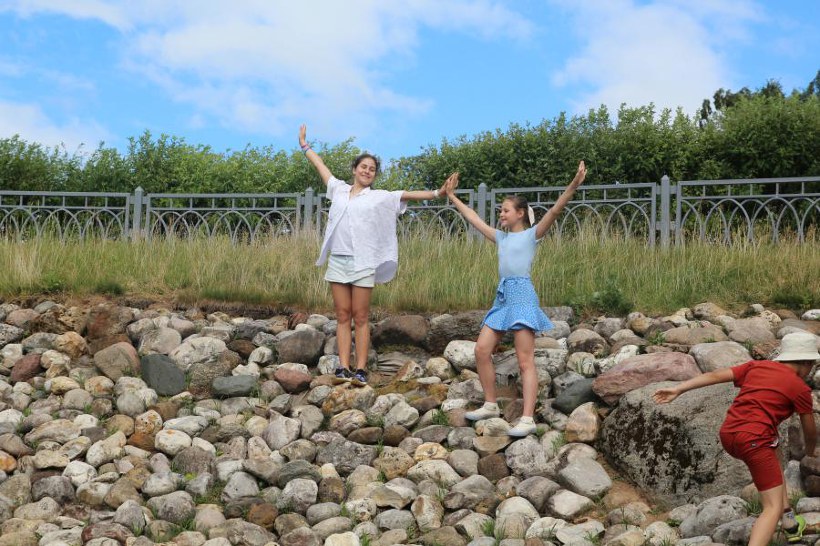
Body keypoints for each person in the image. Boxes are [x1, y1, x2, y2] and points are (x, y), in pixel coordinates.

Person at [443, 162, 587, 436]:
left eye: (505, 210)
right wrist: (452, 196)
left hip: (522, 296)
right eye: (500, 210)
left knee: (524, 361)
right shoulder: (500, 238)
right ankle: (490, 404)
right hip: (503, 297)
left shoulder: (532, 235)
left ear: (520, 213)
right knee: (481, 350)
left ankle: (527, 419)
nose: (501, 213)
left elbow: (555, 210)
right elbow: (473, 218)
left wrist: (573, 185)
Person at [299, 125, 447, 385]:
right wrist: (305, 146)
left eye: (372, 169)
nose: (367, 171)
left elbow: (407, 195)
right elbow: (320, 166)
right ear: (354, 169)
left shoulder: (378, 197)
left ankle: (360, 368)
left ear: (374, 175)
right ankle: (343, 367)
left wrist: (438, 193)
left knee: (361, 317)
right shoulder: (338, 189)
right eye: (363, 167)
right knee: (342, 316)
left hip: (363, 262)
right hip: (338, 261)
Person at [653, 332, 820, 546]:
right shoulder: (800, 388)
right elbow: (810, 430)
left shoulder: (756, 367)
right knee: (771, 507)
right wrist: (810, 451)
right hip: (755, 441)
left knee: (775, 449)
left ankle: (790, 524)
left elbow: (715, 376)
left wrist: (678, 388)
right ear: (806, 363)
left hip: (730, 435)